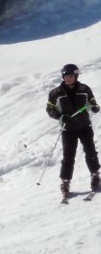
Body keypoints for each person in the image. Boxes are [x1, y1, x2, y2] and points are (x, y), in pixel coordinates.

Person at [46, 63, 101, 199]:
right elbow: (49, 109)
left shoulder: (84, 89)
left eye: (70, 76)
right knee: (68, 156)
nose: (67, 78)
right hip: (68, 129)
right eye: (65, 76)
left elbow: (93, 102)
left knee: (91, 152)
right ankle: (65, 182)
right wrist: (61, 117)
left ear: (76, 76)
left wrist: (95, 107)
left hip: (84, 126)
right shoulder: (55, 93)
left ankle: (95, 176)